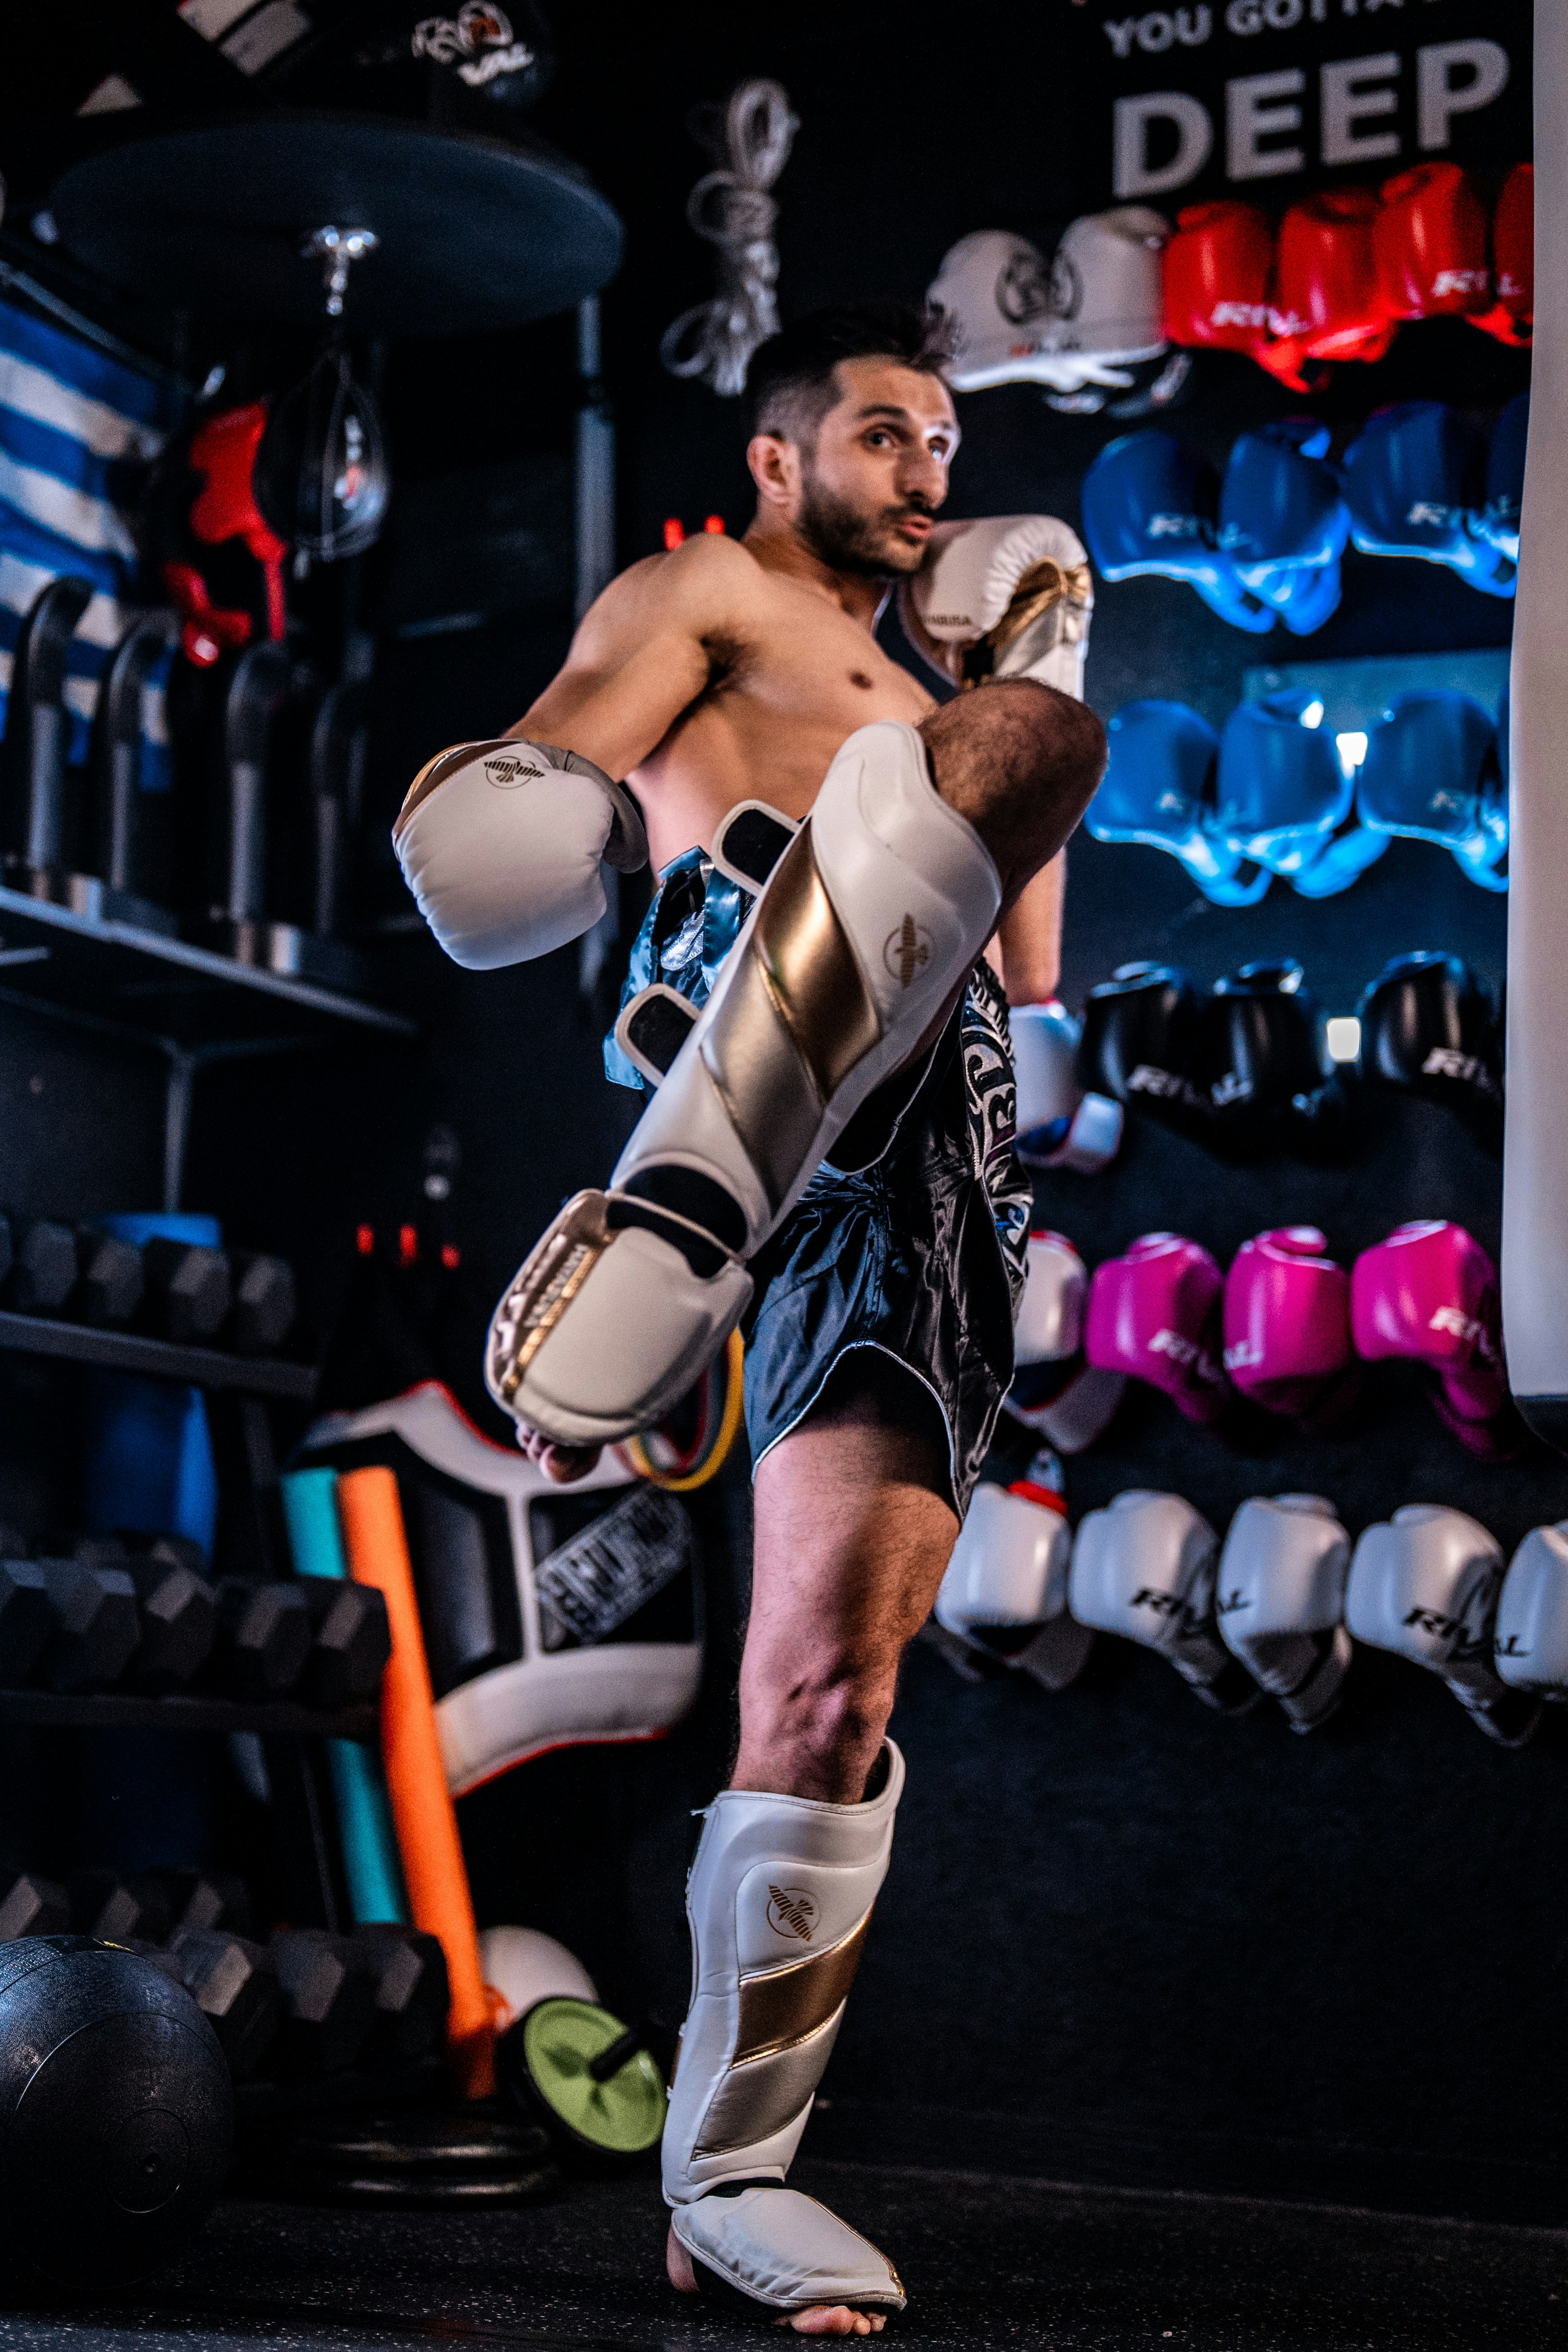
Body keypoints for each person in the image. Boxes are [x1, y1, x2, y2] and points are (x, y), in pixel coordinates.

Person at [394, 302, 1106, 2334]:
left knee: (835, 1697)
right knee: (991, 753)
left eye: (948, 442)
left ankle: (726, 2182)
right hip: (738, 1004)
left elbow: (1033, 966)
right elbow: (536, 794)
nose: (931, 475)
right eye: (887, 434)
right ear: (781, 457)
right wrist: (557, 813)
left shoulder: (955, 672)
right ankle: (710, 1167)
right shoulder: (713, 584)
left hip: (941, 1143)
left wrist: (1042, 659)